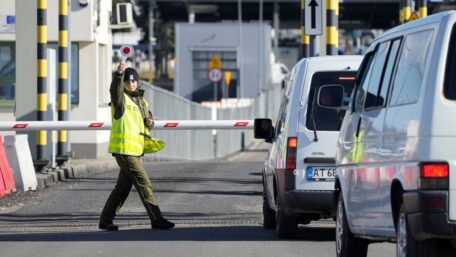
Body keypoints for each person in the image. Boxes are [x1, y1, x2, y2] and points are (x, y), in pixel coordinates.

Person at [98, 61, 175, 231]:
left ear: (137, 82)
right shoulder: (121, 99)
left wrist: (150, 122)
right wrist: (118, 74)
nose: (131, 84)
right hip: (124, 149)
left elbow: (147, 122)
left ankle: (105, 220)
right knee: (144, 183)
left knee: (122, 188)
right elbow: (114, 91)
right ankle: (156, 219)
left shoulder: (141, 101)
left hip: (135, 150)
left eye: (133, 81)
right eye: (127, 81)